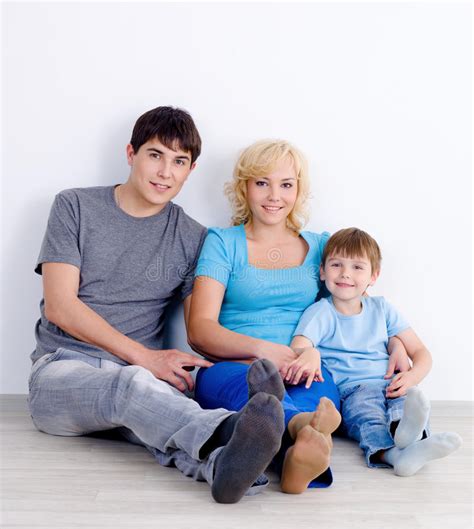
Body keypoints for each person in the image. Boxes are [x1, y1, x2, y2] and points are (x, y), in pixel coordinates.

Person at [27, 106, 286, 504]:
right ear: (131, 154)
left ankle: (222, 468)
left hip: (144, 386)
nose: (166, 172)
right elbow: (59, 306)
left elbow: (199, 330)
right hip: (61, 374)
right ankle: (234, 431)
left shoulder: (192, 237)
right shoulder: (74, 206)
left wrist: (268, 346)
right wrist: (145, 359)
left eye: (179, 161)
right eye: (155, 155)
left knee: (159, 422)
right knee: (133, 385)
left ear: (190, 170)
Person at [188, 140, 410, 493]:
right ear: (244, 187)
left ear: (299, 191)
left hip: (302, 368)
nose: (274, 195)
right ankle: (304, 433)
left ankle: (296, 456)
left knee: (315, 393)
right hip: (234, 365)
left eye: (286, 185)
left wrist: (396, 341)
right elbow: (199, 330)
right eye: (262, 182)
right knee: (261, 400)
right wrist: (266, 351)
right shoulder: (223, 242)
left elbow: (358, 302)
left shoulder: (320, 246)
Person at [290, 227, 462, 475]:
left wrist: (411, 377)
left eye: (357, 267)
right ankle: (394, 455)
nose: (346, 274)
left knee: (408, 402)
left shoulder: (381, 308)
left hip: (390, 382)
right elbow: (299, 346)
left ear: (374, 276)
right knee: (368, 417)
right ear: (322, 271)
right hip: (352, 390)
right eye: (337, 265)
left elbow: (422, 352)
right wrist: (310, 352)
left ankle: (410, 440)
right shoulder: (321, 312)